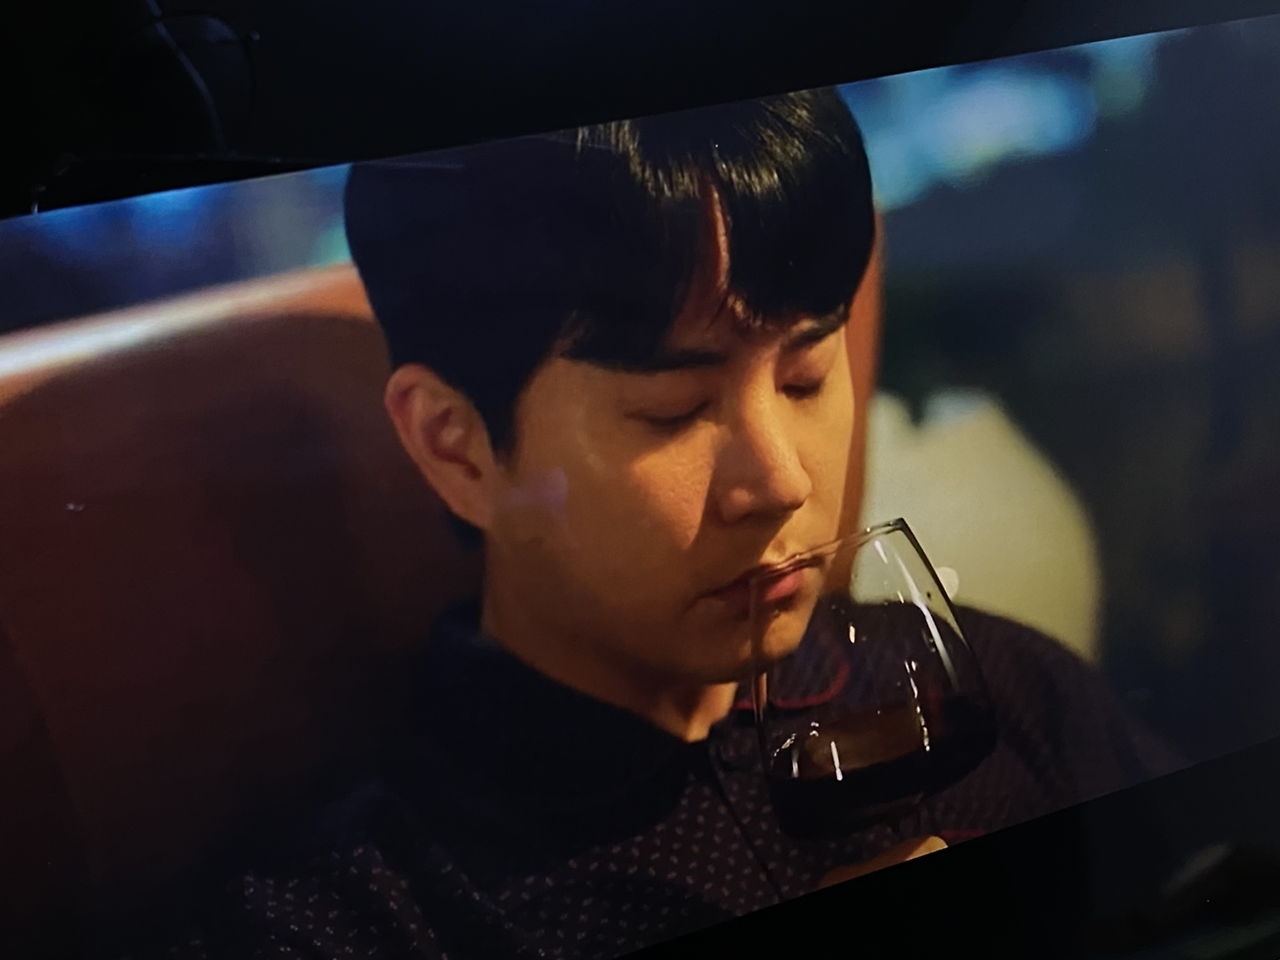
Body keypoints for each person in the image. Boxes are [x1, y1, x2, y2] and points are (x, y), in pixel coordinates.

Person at [166, 88, 1178, 960]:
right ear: (457, 446)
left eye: (805, 375)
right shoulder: (343, 919)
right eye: (675, 411)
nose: (780, 481)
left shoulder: (1005, 693)